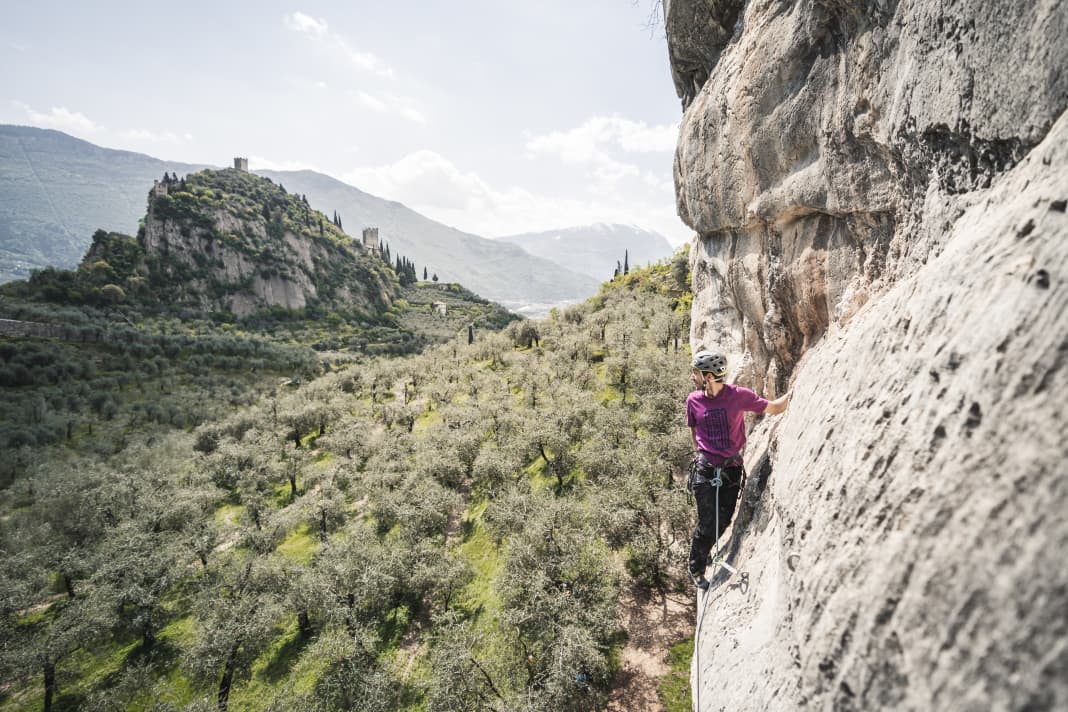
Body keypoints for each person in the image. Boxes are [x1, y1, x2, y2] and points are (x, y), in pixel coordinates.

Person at [686, 350, 791, 590]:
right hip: (705, 470)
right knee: (707, 522)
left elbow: (773, 407)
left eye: (696, 373)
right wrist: (701, 453)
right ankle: (696, 566)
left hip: (731, 469)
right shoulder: (693, 400)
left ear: (708, 376)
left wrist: (796, 389)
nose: (693, 377)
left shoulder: (738, 396)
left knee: (723, 520)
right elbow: (693, 429)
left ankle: (707, 550)